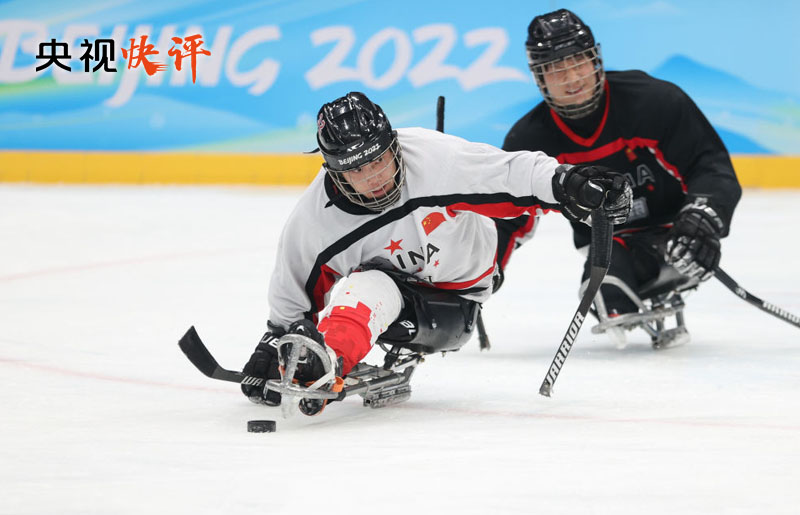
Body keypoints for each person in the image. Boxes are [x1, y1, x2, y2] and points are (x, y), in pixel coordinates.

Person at [239, 91, 632, 414]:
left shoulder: (435, 158)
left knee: (376, 280)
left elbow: (513, 172)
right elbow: (292, 303)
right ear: (334, 172)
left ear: (393, 144)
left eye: (379, 160)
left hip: (456, 296)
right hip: (386, 289)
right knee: (369, 285)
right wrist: (278, 346)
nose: (374, 178)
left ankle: (330, 360)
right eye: (357, 171)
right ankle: (324, 363)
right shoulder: (313, 221)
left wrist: (570, 183)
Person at [503, 9, 742, 346]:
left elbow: (709, 165)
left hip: (677, 227)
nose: (571, 78)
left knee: (620, 277)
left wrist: (703, 218)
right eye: (556, 69)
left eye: (578, 62)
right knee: (604, 291)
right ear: (539, 77)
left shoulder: (654, 102)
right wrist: (473, 274)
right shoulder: (529, 140)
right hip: (609, 243)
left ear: (595, 59)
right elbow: (505, 218)